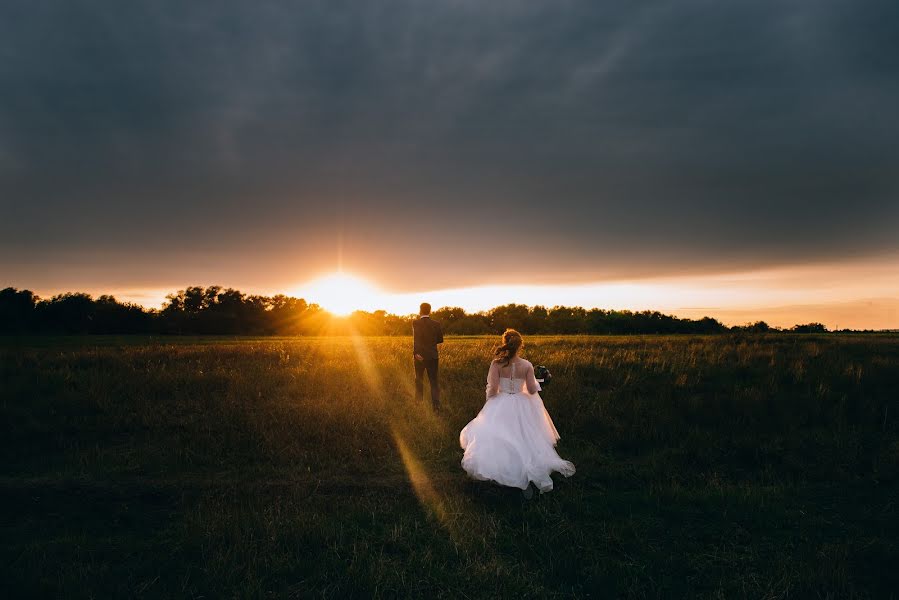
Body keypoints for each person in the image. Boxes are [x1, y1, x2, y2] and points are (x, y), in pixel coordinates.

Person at [460, 329, 575, 497]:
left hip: (501, 402)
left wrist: (490, 404)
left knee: (499, 435)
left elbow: (492, 388)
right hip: (522, 403)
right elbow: (530, 389)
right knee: (524, 435)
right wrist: (540, 382)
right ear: (520, 345)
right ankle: (526, 467)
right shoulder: (527, 365)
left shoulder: (496, 364)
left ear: (505, 342)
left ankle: (503, 468)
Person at [412, 302, 443, 411]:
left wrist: (416, 354)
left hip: (419, 356)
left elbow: (416, 340)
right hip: (433, 356)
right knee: (434, 381)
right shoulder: (436, 324)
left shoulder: (415, 323)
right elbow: (440, 340)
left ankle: (419, 404)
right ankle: (436, 406)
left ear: (420, 310)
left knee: (419, 380)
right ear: (430, 311)